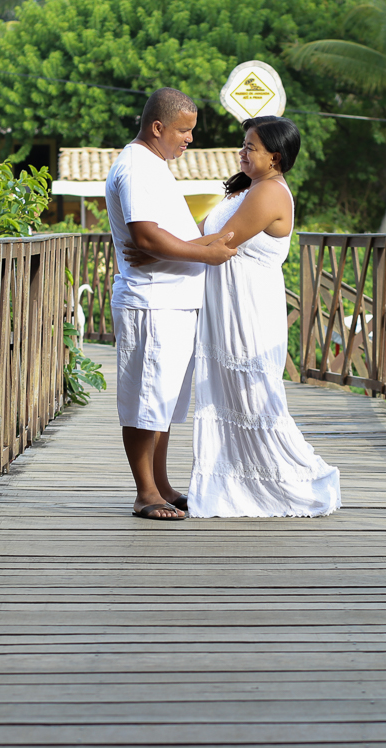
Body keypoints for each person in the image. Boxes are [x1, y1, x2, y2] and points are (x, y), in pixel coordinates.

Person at [130, 116, 340, 517]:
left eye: (250, 148)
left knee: (253, 395)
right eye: (243, 145)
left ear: (275, 157)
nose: (242, 153)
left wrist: (157, 249)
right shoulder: (247, 189)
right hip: (228, 306)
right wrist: (162, 243)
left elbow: (224, 242)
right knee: (229, 394)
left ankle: (283, 481)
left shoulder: (270, 193)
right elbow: (201, 232)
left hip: (248, 311)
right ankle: (231, 484)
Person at [105, 88, 238, 521]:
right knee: (145, 400)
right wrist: (206, 253)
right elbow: (145, 236)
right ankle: (145, 492)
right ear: (157, 127)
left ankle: (160, 484)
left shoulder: (154, 164)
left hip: (171, 302)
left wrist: (196, 245)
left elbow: (165, 238)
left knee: (161, 403)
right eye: (183, 131)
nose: (189, 139)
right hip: (152, 302)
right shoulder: (137, 167)